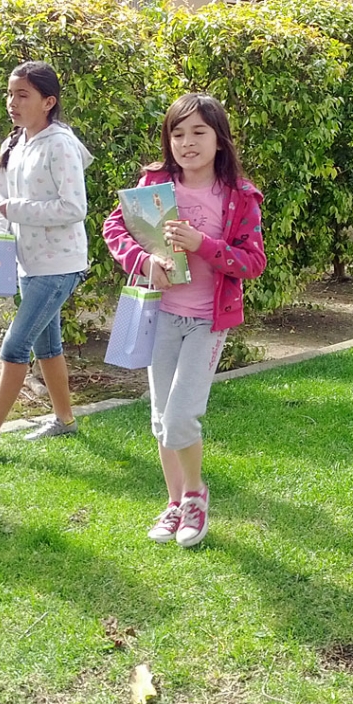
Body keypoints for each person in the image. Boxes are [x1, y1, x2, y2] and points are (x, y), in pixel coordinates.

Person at [103, 93, 266, 547]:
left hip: (207, 322)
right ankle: (174, 505)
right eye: (177, 133)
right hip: (161, 314)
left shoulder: (238, 197)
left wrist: (201, 244)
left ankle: (196, 496)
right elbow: (114, 228)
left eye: (198, 132)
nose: (187, 143)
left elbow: (252, 262)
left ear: (220, 140)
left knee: (180, 418)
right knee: (160, 420)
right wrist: (141, 259)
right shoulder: (155, 185)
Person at [0, 61, 92, 461]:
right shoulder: (13, 143)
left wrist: (13, 209)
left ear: (48, 102)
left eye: (22, 95)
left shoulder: (60, 144)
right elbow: (1, 202)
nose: (12, 102)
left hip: (59, 265)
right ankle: (65, 421)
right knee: (48, 346)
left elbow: (73, 207)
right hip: (25, 262)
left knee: (15, 346)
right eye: (10, 93)